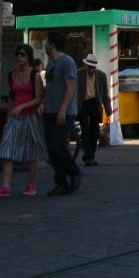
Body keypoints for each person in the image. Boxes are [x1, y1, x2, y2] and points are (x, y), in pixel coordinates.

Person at [0, 45, 48, 197]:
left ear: (28, 56)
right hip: (15, 117)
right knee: (7, 148)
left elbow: (38, 98)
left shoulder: (35, 75)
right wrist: (10, 115)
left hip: (31, 117)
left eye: (22, 55)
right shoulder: (12, 75)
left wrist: (23, 106)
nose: (19, 57)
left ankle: (31, 185)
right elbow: (12, 97)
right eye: (17, 55)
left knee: (31, 152)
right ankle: (5, 186)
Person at [42, 32, 81, 196]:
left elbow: (70, 86)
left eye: (47, 42)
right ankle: (61, 182)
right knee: (52, 149)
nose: (45, 45)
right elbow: (50, 87)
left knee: (58, 145)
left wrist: (63, 109)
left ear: (52, 44)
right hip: (50, 110)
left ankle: (74, 171)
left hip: (63, 111)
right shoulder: (51, 63)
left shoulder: (66, 62)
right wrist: (44, 103)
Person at [77, 54, 112, 166]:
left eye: (93, 67)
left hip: (94, 104)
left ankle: (91, 155)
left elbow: (105, 94)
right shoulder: (79, 74)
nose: (91, 69)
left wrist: (108, 109)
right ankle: (88, 157)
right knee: (85, 130)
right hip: (83, 104)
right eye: (90, 67)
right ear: (86, 65)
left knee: (95, 131)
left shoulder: (101, 76)